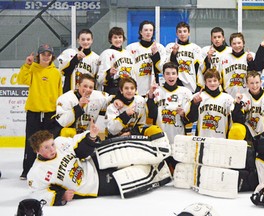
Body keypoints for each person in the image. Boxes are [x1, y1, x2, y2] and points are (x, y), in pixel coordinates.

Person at [27, 120, 172, 206]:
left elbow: (80, 147)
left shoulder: (60, 143)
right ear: (37, 151)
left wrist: (91, 136)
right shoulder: (37, 173)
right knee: (133, 176)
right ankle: (168, 170)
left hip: (94, 161)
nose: (52, 149)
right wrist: (60, 197)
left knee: (130, 153)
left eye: (51, 144)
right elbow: (39, 193)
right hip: (95, 185)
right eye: (46, 148)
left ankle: (163, 152)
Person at [17, 44, 63, 180]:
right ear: (39, 56)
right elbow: (21, 80)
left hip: (50, 113)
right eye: (43, 54)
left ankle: (48, 169)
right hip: (34, 112)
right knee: (31, 141)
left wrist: (59, 109)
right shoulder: (32, 69)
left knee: (49, 142)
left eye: (49, 54)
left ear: (52, 57)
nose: (46, 56)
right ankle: (27, 170)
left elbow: (59, 92)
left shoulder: (56, 72)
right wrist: (26, 65)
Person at [184, 68, 240, 138]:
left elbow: (236, 119)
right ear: (205, 82)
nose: (212, 83)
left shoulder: (227, 98)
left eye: (215, 80)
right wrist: (194, 104)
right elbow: (190, 119)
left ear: (219, 81)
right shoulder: (198, 96)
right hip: (202, 139)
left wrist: (238, 104)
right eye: (209, 81)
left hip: (222, 140)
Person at [147, 62, 193, 144]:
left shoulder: (186, 92)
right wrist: (150, 96)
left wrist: (183, 115)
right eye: (167, 73)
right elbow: (151, 115)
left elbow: (191, 119)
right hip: (160, 137)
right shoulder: (156, 92)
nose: (171, 76)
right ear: (163, 75)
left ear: (177, 75)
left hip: (179, 137)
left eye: (173, 73)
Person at [53, 74, 112, 138]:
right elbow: (62, 122)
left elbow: (111, 99)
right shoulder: (66, 98)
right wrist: (79, 107)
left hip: (87, 135)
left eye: (91, 87)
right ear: (78, 85)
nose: (88, 89)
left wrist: (118, 100)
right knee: (66, 132)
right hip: (68, 137)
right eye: (85, 86)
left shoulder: (97, 96)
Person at [234, 70, 264, 139]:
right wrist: (238, 104)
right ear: (247, 84)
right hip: (249, 135)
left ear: (261, 82)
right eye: (251, 83)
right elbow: (236, 120)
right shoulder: (243, 98)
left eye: (257, 82)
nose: (255, 86)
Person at [126, 20, 166, 96]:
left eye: (151, 30)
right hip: (137, 87)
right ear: (141, 32)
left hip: (154, 87)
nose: (148, 32)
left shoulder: (160, 48)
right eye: (146, 30)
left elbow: (161, 69)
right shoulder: (131, 48)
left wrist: (155, 55)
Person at [165, 21, 203, 93]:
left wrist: (199, 85)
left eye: (185, 31)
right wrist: (174, 53)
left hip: (191, 83)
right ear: (177, 34)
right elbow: (166, 67)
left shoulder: (195, 48)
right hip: (175, 82)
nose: (182, 34)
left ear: (189, 33)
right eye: (180, 32)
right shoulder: (170, 46)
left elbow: (199, 69)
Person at [97, 27, 136, 95]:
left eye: (120, 37)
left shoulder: (128, 54)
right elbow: (100, 79)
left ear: (123, 39)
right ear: (110, 39)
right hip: (113, 88)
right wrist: (109, 73)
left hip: (128, 88)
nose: (118, 40)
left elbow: (133, 74)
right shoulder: (106, 53)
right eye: (115, 37)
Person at [217, 32, 254, 98]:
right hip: (228, 96)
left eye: (239, 43)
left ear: (244, 43)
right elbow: (219, 78)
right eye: (234, 43)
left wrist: (251, 62)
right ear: (230, 45)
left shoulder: (251, 56)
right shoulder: (224, 58)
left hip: (247, 96)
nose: (237, 46)